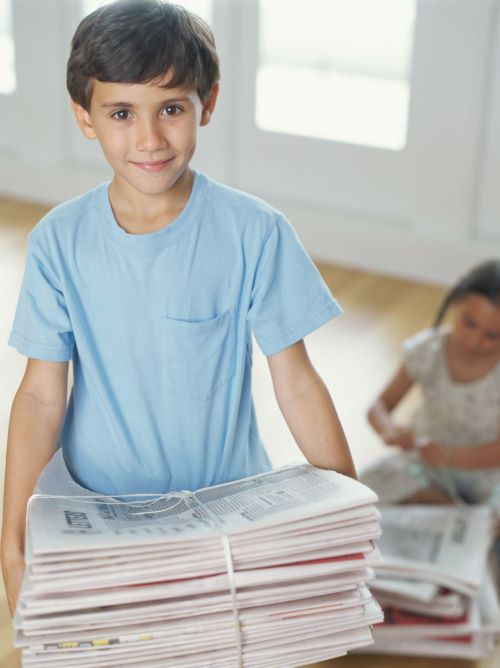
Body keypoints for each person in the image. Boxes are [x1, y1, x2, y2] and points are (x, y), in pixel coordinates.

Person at [1, 0, 355, 616]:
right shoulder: (58, 241)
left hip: (227, 509)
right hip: (99, 512)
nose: (149, 139)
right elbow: (39, 395)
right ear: (84, 117)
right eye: (120, 112)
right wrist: (11, 539)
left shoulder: (256, 232)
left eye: (171, 108)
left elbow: (295, 382)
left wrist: (349, 511)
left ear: (207, 104)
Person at [364, 259, 500, 506]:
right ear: (455, 304)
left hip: (489, 477)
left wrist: (450, 456)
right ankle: (454, 512)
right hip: (426, 467)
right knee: (367, 486)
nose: (474, 341)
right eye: (468, 323)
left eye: (492, 336)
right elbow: (380, 405)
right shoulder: (427, 350)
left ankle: (460, 515)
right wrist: (389, 429)